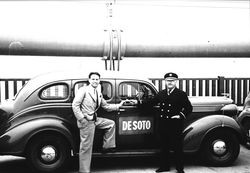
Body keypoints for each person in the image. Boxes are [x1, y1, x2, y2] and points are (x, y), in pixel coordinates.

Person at [72, 72, 125, 173]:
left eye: (97, 79)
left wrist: (119, 105)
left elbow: (106, 106)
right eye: (93, 79)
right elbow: (75, 105)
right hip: (86, 121)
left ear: (99, 80)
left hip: (94, 119)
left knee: (111, 124)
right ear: (89, 80)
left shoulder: (98, 91)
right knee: (86, 147)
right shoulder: (83, 90)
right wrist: (82, 119)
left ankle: (107, 147)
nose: (95, 81)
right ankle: (84, 171)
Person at [141, 72, 192, 173]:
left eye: (172, 81)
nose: (170, 82)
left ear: (176, 82)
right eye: (168, 81)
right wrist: (140, 101)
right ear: (165, 81)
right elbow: (151, 103)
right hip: (163, 124)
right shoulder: (161, 93)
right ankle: (164, 167)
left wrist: (180, 116)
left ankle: (180, 168)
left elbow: (189, 108)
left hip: (175, 124)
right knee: (164, 146)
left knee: (177, 147)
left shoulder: (181, 94)